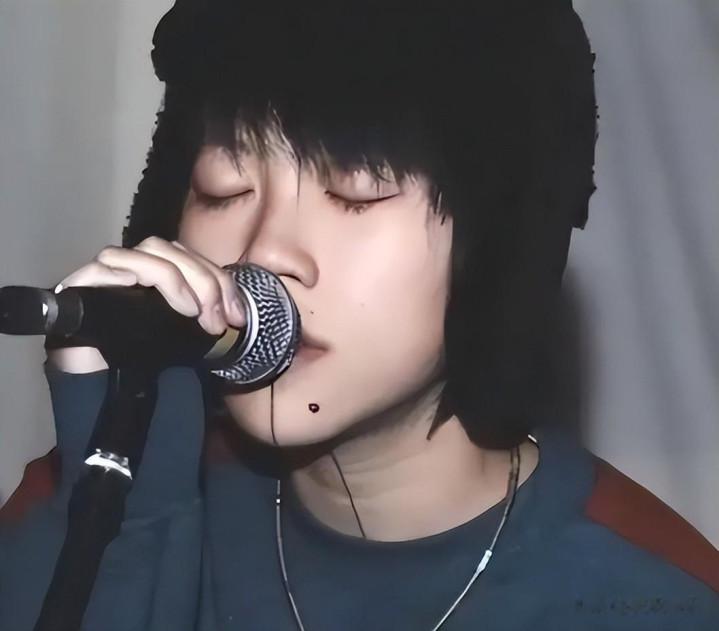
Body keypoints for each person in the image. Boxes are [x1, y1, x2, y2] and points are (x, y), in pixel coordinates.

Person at [1, 0, 718, 629]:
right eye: (223, 188)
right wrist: (123, 518)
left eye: (357, 191)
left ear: (503, 235)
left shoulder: (656, 597)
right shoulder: (82, 507)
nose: (265, 250)